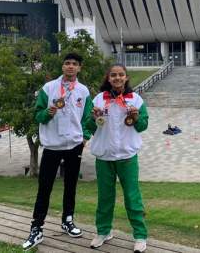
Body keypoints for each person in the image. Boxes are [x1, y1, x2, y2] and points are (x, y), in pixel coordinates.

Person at [22, 52, 93, 251]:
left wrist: (85, 137)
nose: (70, 67)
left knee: (71, 185)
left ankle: (67, 220)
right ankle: (36, 228)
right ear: (62, 67)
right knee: (44, 187)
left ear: (79, 68)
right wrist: (48, 112)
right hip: (52, 145)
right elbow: (38, 115)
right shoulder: (49, 88)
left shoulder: (83, 90)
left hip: (74, 145)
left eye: (74, 64)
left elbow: (88, 117)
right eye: (67, 63)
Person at [85, 64, 149, 253]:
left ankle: (139, 235)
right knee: (105, 197)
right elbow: (90, 125)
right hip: (104, 156)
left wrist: (136, 118)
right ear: (108, 78)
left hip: (127, 156)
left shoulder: (135, 99)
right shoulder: (98, 99)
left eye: (121, 75)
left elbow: (143, 125)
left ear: (126, 78)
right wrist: (92, 117)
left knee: (132, 197)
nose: (117, 78)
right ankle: (104, 231)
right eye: (113, 75)